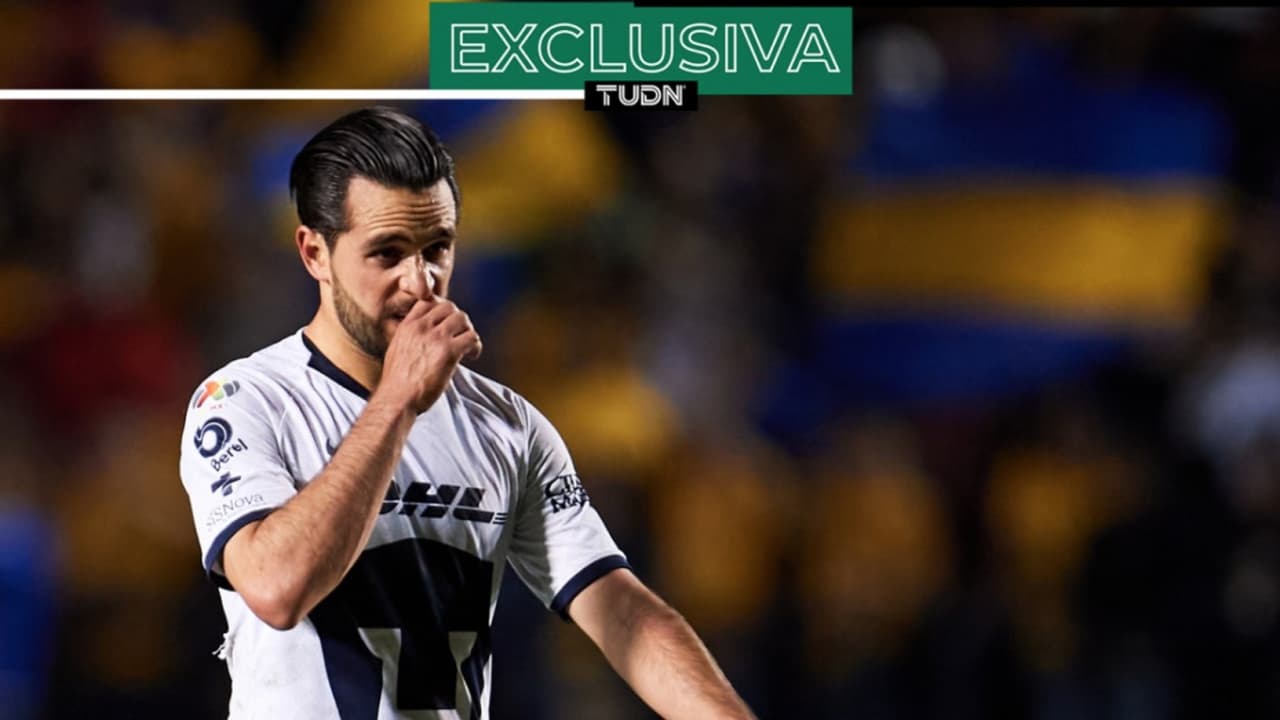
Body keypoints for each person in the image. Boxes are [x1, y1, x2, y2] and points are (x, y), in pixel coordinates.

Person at [178, 106, 756, 720]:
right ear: (315, 252)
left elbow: (620, 611)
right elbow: (275, 588)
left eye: (437, 249)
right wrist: (397, 401)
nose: (420, 283)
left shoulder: (507, 426)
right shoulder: (244, 400)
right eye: (387, 254)